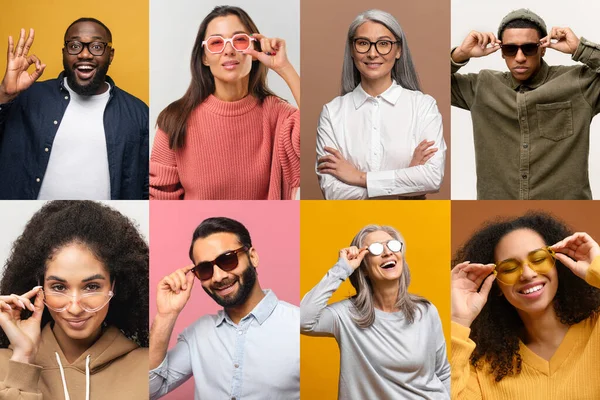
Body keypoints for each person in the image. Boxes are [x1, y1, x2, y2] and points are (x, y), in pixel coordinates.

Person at [0, 201, 149, 399]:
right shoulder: (5, 365)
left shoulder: (147, 367)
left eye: (91, 287)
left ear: (114, 286)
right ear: (40, 287)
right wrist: (23, 359)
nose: (75, 307)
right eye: (59, 287)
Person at [150, 6, 300, 200]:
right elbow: (160, 203)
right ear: (204, 57)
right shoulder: (175, 120)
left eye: (239, 40)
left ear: (254, 48)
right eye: (216, 43)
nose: (228, 50)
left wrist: (285, 68)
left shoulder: (279, 116)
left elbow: (319, 139)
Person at [451, 9, 600, 199]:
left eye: (529, 48)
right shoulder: (481, 86)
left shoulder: (578, 84)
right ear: (501, 52)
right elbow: (421, 83)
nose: (520, 57)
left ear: (543, 48)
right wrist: (460, 55)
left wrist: (580, 48)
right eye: (510, 49)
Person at [451, 212, 600, 399]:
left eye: (538, 259)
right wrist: (458, 319)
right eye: (510, 268)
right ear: (495, 284)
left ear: (558, 265)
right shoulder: (482, 369)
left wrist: (597, 267)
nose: (527, 274)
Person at [148, 217, 299, 399]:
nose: (218, 277)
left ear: (253, 257)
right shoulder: (199, 334)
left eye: (227, 260)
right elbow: (150, 390)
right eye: (205, 269)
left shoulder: (298, 325)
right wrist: (166, 315)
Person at [0, 18, 149, 200]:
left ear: (110, 54)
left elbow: (146, 186)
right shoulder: (28, 96)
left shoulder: (138, 113)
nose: (84, 55)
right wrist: (5, 95)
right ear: (64, 53)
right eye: (75, 45)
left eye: (96, 46)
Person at [301, 224, 450, 399]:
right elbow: (303, 319)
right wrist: (342, 269)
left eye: (392, 245)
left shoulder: (425, 311)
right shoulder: (346, 315)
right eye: (376, 249)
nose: (388, 253)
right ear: (363, 268)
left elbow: (443, 372)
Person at [315, 9, 446, 200]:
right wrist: (407, 180)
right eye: (363, 43)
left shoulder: (423, 106)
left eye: (383, 44)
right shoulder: (332, 112)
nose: (372, 53)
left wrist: (359, 177)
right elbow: (334, 194)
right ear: (352, 50)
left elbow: (432, 178)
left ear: (399, 50)